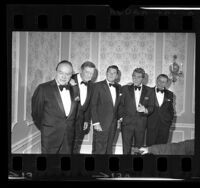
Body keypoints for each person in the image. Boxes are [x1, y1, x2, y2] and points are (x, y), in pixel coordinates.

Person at [31, 60, 79, 154]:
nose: (64, 77)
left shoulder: (74, 90)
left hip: (68, 136)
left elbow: (75, 113)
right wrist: (47, 128)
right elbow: (36, 114)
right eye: (61, 73)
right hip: (50, 136)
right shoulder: (43, 88)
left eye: (68, 74)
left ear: (71, 75)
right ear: (56, 71)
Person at [118, 68, 154, 154]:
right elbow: (120, 105)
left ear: (143, 78)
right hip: (126, 123)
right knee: (126, 148)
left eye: (138, 77)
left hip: (141, 123)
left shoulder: (150, 91)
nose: (135, 79)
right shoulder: (124, 88)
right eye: (134, 76)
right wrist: (121, 117)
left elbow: (152, 107)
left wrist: (145, 110)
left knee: (139, 148)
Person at [91, 65, 122, 154]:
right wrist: (96, 122)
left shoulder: (119, 87)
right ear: (106, 73)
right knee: (99, 149)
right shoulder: (98, 85)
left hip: (113, 124)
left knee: (109, 149)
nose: (111, 74)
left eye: (114, 73)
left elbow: (118, 105)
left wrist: (119, 119)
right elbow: (93, 105)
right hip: (100, 123)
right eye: (109, 72)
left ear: (117, 75)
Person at [72, 61, 96, 154]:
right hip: (66, 122)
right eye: (87, 72)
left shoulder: (91, 85)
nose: (89, 75)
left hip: (81, 121)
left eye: (91, 73)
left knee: (76, 147)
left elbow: (88, 105)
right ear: (81, 70)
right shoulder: (69, 79)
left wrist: (86, 120)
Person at [146, 74, 174, 146]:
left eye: (164, 82)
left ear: (167, 83)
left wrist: (169, 122)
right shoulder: (148, 91)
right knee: (150, 147)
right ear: (156, 81)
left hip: (164, 125)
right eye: (160, 81)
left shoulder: (170, 94)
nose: (161, 83)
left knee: (162, 148)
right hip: (151, 124)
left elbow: (171, 110)